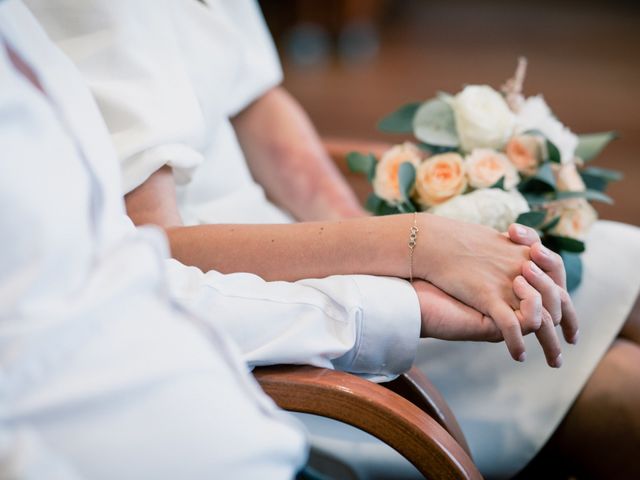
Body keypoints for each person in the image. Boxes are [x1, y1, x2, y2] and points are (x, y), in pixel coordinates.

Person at [23, 0, 640, 478]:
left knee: (622, 264)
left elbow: (261, 109)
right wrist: (413, 244)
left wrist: (389, 223)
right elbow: (158, 246)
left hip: (318, 246)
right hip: (261, 313)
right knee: (619, 381)